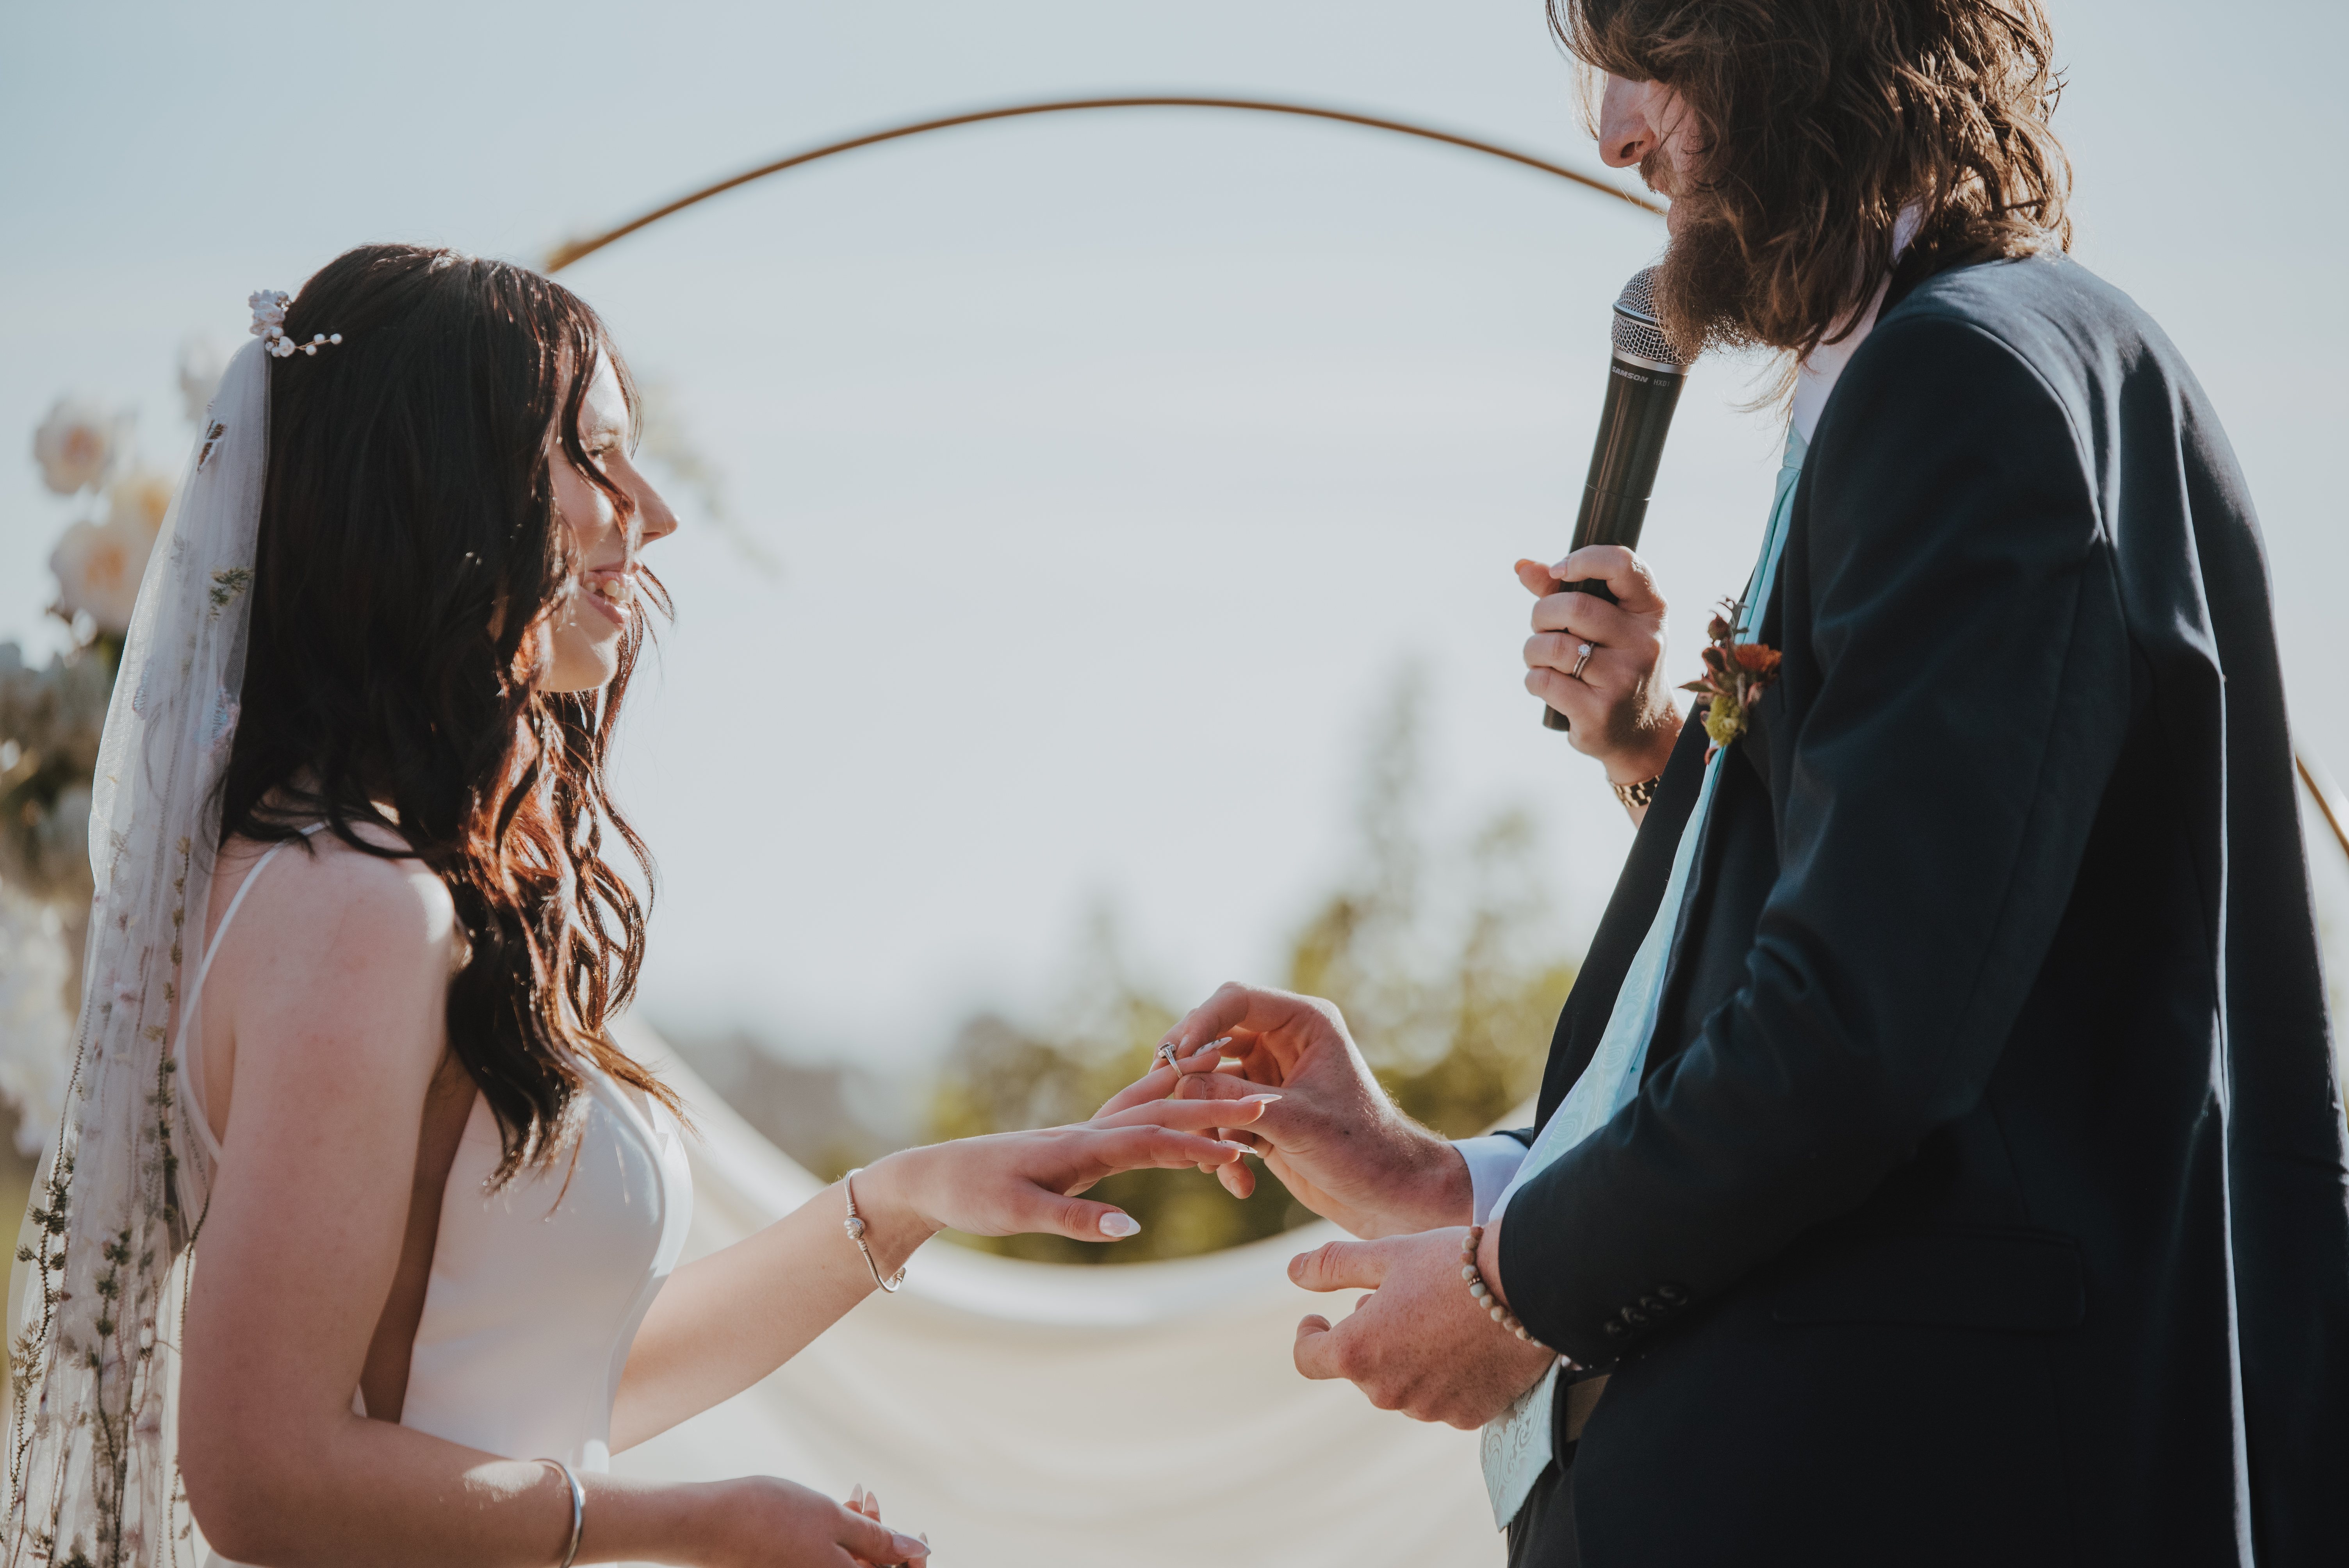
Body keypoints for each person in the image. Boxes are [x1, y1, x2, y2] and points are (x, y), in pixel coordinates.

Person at [1103, 1, 2349, 1563]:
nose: (1612, 129)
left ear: (1797, 44)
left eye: (1653, 64)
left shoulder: (1958, 383)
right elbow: (1918, 931)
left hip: (1898, 1476)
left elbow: (1864, 1027)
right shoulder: (1985, 366)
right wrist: (1456, 1177)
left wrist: (1518, 1286)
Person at [6, 244, 1274, 1568]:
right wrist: (698, 1521)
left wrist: (912, 1197)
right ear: (448, 486)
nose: (653, 512)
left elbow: (536, 1378)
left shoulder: (374, 881)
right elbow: (266, 1473)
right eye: (597, 459)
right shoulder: (355, 914)